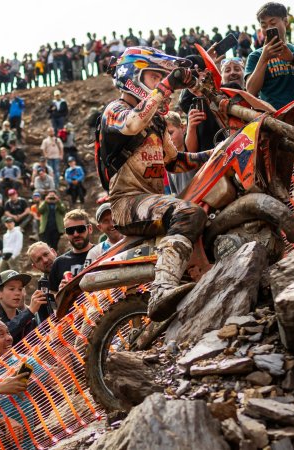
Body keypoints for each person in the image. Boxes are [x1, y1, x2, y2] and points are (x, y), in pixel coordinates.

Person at [99, 47, 214, 321]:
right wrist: (167, 84)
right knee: (188, 212)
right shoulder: (115, 110)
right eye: (154, 78)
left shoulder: (158, 124)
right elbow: (131, 125)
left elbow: (175, 162)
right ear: (133, 78)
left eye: (162, 79)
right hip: (127, 203)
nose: (163, 87)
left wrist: (217, 151)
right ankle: (161, 290)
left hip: (153, 202)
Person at [246, 3, 294, 109]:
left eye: (273, 23)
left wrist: (293, 60)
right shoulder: (255, 56)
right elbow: (250, 92)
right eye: (264, 26)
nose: (268, 28)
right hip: (274, 120)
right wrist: (264, 58)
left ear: (285, 22)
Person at [0, 270, 43, 343]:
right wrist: (29, 312)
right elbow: (1, 336)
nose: (17, 293)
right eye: (12, 289)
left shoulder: (28, 319)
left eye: (20, 289)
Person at [48, 209, 94, 292]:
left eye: (80, 229)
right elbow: (53, 296)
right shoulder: (59, 263)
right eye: (70, 231)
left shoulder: (102, 253)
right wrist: (61, 292)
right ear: (66, 233)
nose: (76, 234)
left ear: (90, 229)